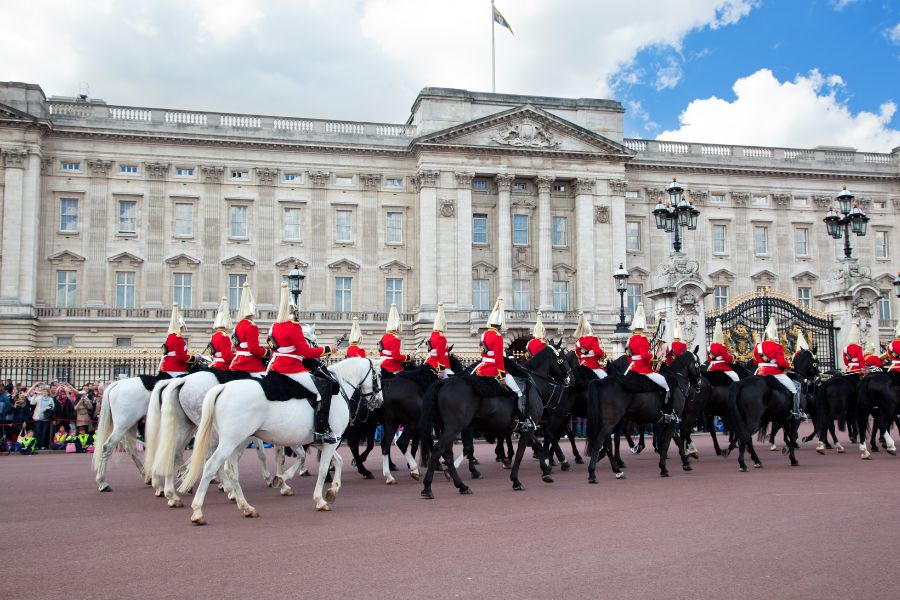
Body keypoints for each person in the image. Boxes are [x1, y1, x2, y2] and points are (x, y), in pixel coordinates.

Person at [267, 283, 334, 442]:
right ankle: (320, 430)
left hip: (275, 368)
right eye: (296, 311)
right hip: (292, 370)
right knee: (324, 388)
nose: (298, 314)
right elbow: (306, 352)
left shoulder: (275, 326)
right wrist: (329, 348)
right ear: (294, 312)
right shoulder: (294, 328)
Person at [475, 297, 532, 431]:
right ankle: (520, 421)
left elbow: (483, 352)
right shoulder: (498, 336)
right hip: (493, 368)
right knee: (519, 391)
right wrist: (501, 377)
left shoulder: (483, 335)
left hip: (481, 368)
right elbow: (499, 359)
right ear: (500, 325)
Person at [627, 303, 676, 423]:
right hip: (643, 369)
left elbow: (629, 356)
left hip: (632, 367)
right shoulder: (642, 339)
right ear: (643, 326)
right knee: (666, 386)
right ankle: (666, 414)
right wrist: (654, 356)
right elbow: (644, 356)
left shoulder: (631, 339)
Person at [754, 316, 805, 421]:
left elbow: (755, 361)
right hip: (774, 373)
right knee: (794, 389)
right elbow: (781, 362)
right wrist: (789, 365)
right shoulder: (777, 346)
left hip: (759, 372)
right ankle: (796, 412)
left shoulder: (758, 346)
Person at [229, 283, 268, 376]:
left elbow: (233, 346)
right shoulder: (252, 326)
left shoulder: (238, 326)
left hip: (236, 362)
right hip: (250, 364)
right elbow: (253, 349)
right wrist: (267, 352)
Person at [159, 303, 193, 376]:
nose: (182, 329)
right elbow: (181, 356)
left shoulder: (170, 336)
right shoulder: (177, 338)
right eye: (182, 327)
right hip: (176, 368)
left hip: (167, 366)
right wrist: (194, 358)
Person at [574, 309, 607, 379]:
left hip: (582, 365)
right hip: (593, 366)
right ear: (589, 329)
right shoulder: (593, 339)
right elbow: (597, 351)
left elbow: (578, 354)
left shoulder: (578, 342)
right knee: (606, 379)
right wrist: (603, 354)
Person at [378, 303, 408, 377]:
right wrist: (408, 357)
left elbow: (381, 352)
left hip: (382, 364)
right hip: (391, 366)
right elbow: (396, 356)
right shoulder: (395, 338)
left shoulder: (384, 337)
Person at [425, 303, 452, 378]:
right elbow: (441, 356)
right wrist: (441, 371)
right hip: (437, 365)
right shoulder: (441, 337)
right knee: (452, 378)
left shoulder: (433, 335)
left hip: (429, 362)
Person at [707, 318, 739, 382]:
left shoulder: (710, 347)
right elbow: (727, 359)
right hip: (721, 367)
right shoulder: (721, 346)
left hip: (712, 367)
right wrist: (734, 356)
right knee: (736, 378)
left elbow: (709, 359)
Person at [208, 296, 235, 370]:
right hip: (223, 366)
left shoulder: (214, 336)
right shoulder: (224, 336)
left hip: (215, 364)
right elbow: (227, 357)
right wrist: (237, 356)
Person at [28, 383, 54, 448]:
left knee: (44, 432)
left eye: (46, 391)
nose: (44, 393)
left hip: (46, 417)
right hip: (38, 417)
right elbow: (32, 403)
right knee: (37, 432)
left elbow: (53, 406)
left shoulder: (50, 399)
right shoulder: (39, 397)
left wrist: (48, 408)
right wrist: (34, 396)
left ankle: (42, 445)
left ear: (48, 392)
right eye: (43, 391)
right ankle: (37, 445)